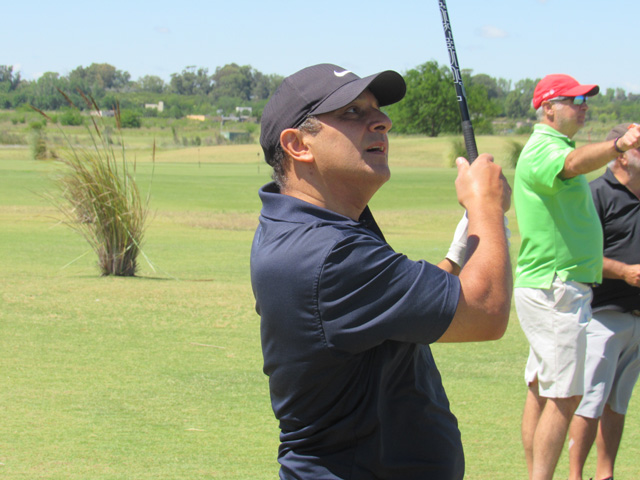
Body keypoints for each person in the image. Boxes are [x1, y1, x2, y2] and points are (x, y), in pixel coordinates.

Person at [250, 63, 512, 479]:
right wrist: (487, 207)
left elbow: (396, 308)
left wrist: (460, 250)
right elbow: (485, 311)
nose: (383, 122)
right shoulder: (328, 253)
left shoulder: (308, 226)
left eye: (377, 110)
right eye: (352, 112)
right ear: (297, 144)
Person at [513, 74, 640, 480]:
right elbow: (572, 165)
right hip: (556, 286)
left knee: (542, 391)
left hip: (557, 286)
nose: (584, 106)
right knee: (565, 395)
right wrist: (618, 145)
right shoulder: (545, 149)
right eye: (574, 100)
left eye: (585, 100)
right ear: (548, 108)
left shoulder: (557, 146)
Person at [567, 123, 640, 480]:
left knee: (618, 402)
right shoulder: (595, 193)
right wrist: (624, 271)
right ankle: (575, 475)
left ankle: (605, 474)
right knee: (590, 401)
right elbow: (579, 255)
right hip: (602, 314)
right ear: (622, 155)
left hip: (637, 318)